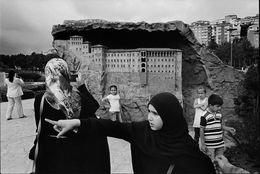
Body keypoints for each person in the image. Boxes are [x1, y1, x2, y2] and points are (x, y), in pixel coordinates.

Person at [46, 92, 216, 174]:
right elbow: (110, 127)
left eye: (156, 114)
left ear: (169, 116)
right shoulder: (142, 131)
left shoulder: (188, 150)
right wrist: (76, 122)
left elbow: (203, 168)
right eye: (149, 111)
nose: (150, 118)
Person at [30, 58, 110, 174]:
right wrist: (82, 86)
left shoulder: (40, 99)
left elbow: (40, 126)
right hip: (76, 149)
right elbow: (94, 107)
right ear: (66, 73)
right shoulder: (78, 97)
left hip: (51, 150)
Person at [200, 94, 236, 161]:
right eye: (218, 106)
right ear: (210, 105)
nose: (220, 108)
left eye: (220, 106)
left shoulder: (219, 114)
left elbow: (221, 126)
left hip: (220, 145)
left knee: (220, 163)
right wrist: (203, 144)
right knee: (210, 163)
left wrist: (229, 129)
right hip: (209, 146)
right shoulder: (204, 116)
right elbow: (201, 129)